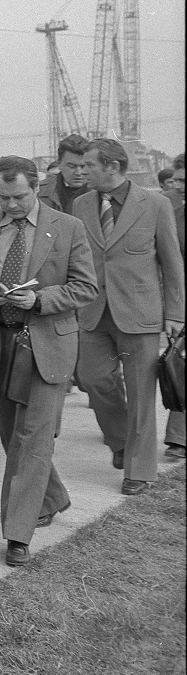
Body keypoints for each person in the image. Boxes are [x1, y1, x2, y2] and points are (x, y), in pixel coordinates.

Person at [0, 156, 98, 566]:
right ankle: (51, 496)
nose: (12, 205)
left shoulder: (68, 227)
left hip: (48, 345)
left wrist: (40, 300)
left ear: (36, 187)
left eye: (18, 196)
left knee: (33, 439)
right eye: (3, 197)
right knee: (12, 437)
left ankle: (17, 533)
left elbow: (85, 287)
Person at [73, 139, 185, 493]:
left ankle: (139, 469)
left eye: (89, 165)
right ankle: (121, 440)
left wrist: (177, 315)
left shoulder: (155, 204)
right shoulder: (80, 205)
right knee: (92, 379)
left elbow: (171, 263)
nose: (82, 171)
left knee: (141, 394)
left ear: (112, 166)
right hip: (92, 312)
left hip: (141, 313)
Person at [165, 154, 186, 460]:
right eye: (177, 179)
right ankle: (179, 436)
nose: (178, 185)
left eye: (183, 180)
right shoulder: (172, 212)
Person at [37, 134, 90, 214]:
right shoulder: (40, 192)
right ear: (59, 163)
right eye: (71, 166)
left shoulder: (101, 193)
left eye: (83, 166)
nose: (78, 172)